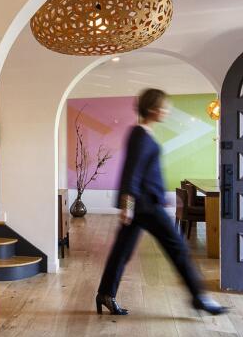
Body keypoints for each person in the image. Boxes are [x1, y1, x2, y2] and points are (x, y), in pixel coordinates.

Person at [95, 89, 229, 316]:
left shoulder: (144, 133)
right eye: (164, 107)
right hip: (145, 206)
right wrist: (127, 208)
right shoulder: (139, 134)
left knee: (122, 251)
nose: (166, 111)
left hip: (144, 204)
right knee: (177, 247)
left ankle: (106, 294)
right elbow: (131, 173)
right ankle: (199, 297)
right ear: (153, 109)